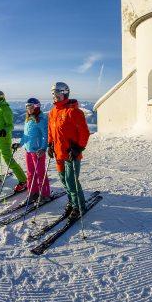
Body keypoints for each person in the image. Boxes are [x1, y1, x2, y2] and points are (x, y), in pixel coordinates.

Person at [47, 81, 91, 220]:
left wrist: (78, 148)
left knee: (72, 181)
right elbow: (51, 130)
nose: (55, 96)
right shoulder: (53, 112)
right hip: (58, 153)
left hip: (71, 153)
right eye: (53, 94)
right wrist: (50, 144)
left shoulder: (74, 111)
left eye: (58, 94)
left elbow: (84, 132)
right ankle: (72, 202)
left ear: (65, 94)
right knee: (64, 180)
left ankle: (79, 206)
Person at [12, 98, 51, 203]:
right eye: (27, 107)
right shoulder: (28, 119)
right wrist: (20, 144)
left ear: (37, 107)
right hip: (28, 150)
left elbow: (45, 136)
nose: (29, 109)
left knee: (40, 173)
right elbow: (26, 135)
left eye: (31, 107)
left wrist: (43, 148)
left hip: (38, 151)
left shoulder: (41, 119)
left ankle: (45, 193)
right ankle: (33, 192)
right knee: (30, 173)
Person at [0, 90, 27, 192]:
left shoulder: (5, 109)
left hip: (4, 139)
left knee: (8, 159)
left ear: (0, 98)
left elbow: (10, 126)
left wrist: (3, 131)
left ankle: (23, 180)